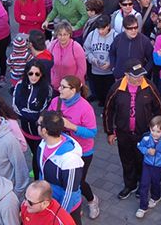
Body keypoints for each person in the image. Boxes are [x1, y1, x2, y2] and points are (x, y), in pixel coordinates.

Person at [103, 61, 161, 200]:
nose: (139, 79)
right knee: (126, 159)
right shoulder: (117, 88)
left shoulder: (149, 86)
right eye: (135, 77)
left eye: (141, 76)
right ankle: (130, 185)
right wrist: (110, 132)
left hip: (143, 134)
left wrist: (158, 132)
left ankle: (142, 185)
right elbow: (108, 110)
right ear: (126, 75)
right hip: (123, 133)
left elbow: (158, 109)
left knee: (142, 159)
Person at [48, 76, 100, 219]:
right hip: (61, 149)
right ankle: (74, 204)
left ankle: (91, 200)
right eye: (60, 86)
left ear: (74, 90)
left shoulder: (85, 107)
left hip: (82, 152)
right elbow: (47, 116)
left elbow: (92, 132)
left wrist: (71, 126)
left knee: (78, 182)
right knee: (63, 181)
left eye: (63, 87)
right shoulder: (55, 101)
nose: (59, 89)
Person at [36, 110, 85, 224]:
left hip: (66, 208)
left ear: (44, 131)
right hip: (49, 201)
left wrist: (60, 216)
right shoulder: (43, 144)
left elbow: (70, 193)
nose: (36, 126)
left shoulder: (70, 159)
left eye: (38, 124)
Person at [12, 59, 52, 173]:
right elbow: (16, 107)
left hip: (40, 131)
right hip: (25, 130)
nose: (33, 77)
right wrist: (32, 114)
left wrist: (27, 113)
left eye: (37, 74)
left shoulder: (46, 89)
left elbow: (43, 111)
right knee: (34, 151)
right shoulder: (20, 85)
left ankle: (38, 176)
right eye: (31, 73)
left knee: (38, 155)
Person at [135, 116, 161, 219]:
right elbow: (140, 145)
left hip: (159, 166)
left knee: (156, 182)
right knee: (144, 184)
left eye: (158, 131)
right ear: (149, 128)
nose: (154, 133)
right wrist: (147, 151)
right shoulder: (146, 137)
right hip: (147, 164)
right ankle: (142, 207)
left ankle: (156, 197)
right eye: (152, 130)